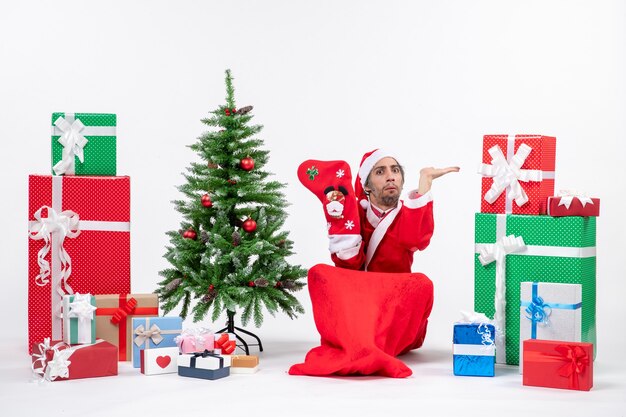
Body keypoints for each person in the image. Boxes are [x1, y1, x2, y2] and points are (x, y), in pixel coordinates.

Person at [289, 149, 459, 378]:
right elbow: (349, 266)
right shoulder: (353, 212)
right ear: (367, 186)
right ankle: (362, 346)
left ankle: (367, 346)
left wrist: (424, 184)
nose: (391, 176)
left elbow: (415, 239)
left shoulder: (406, 214)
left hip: (392, 299)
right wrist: (345, 230)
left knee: (422, 283)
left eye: (395, 171)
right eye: (381, 171)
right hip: (360, 295)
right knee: (320, 273)